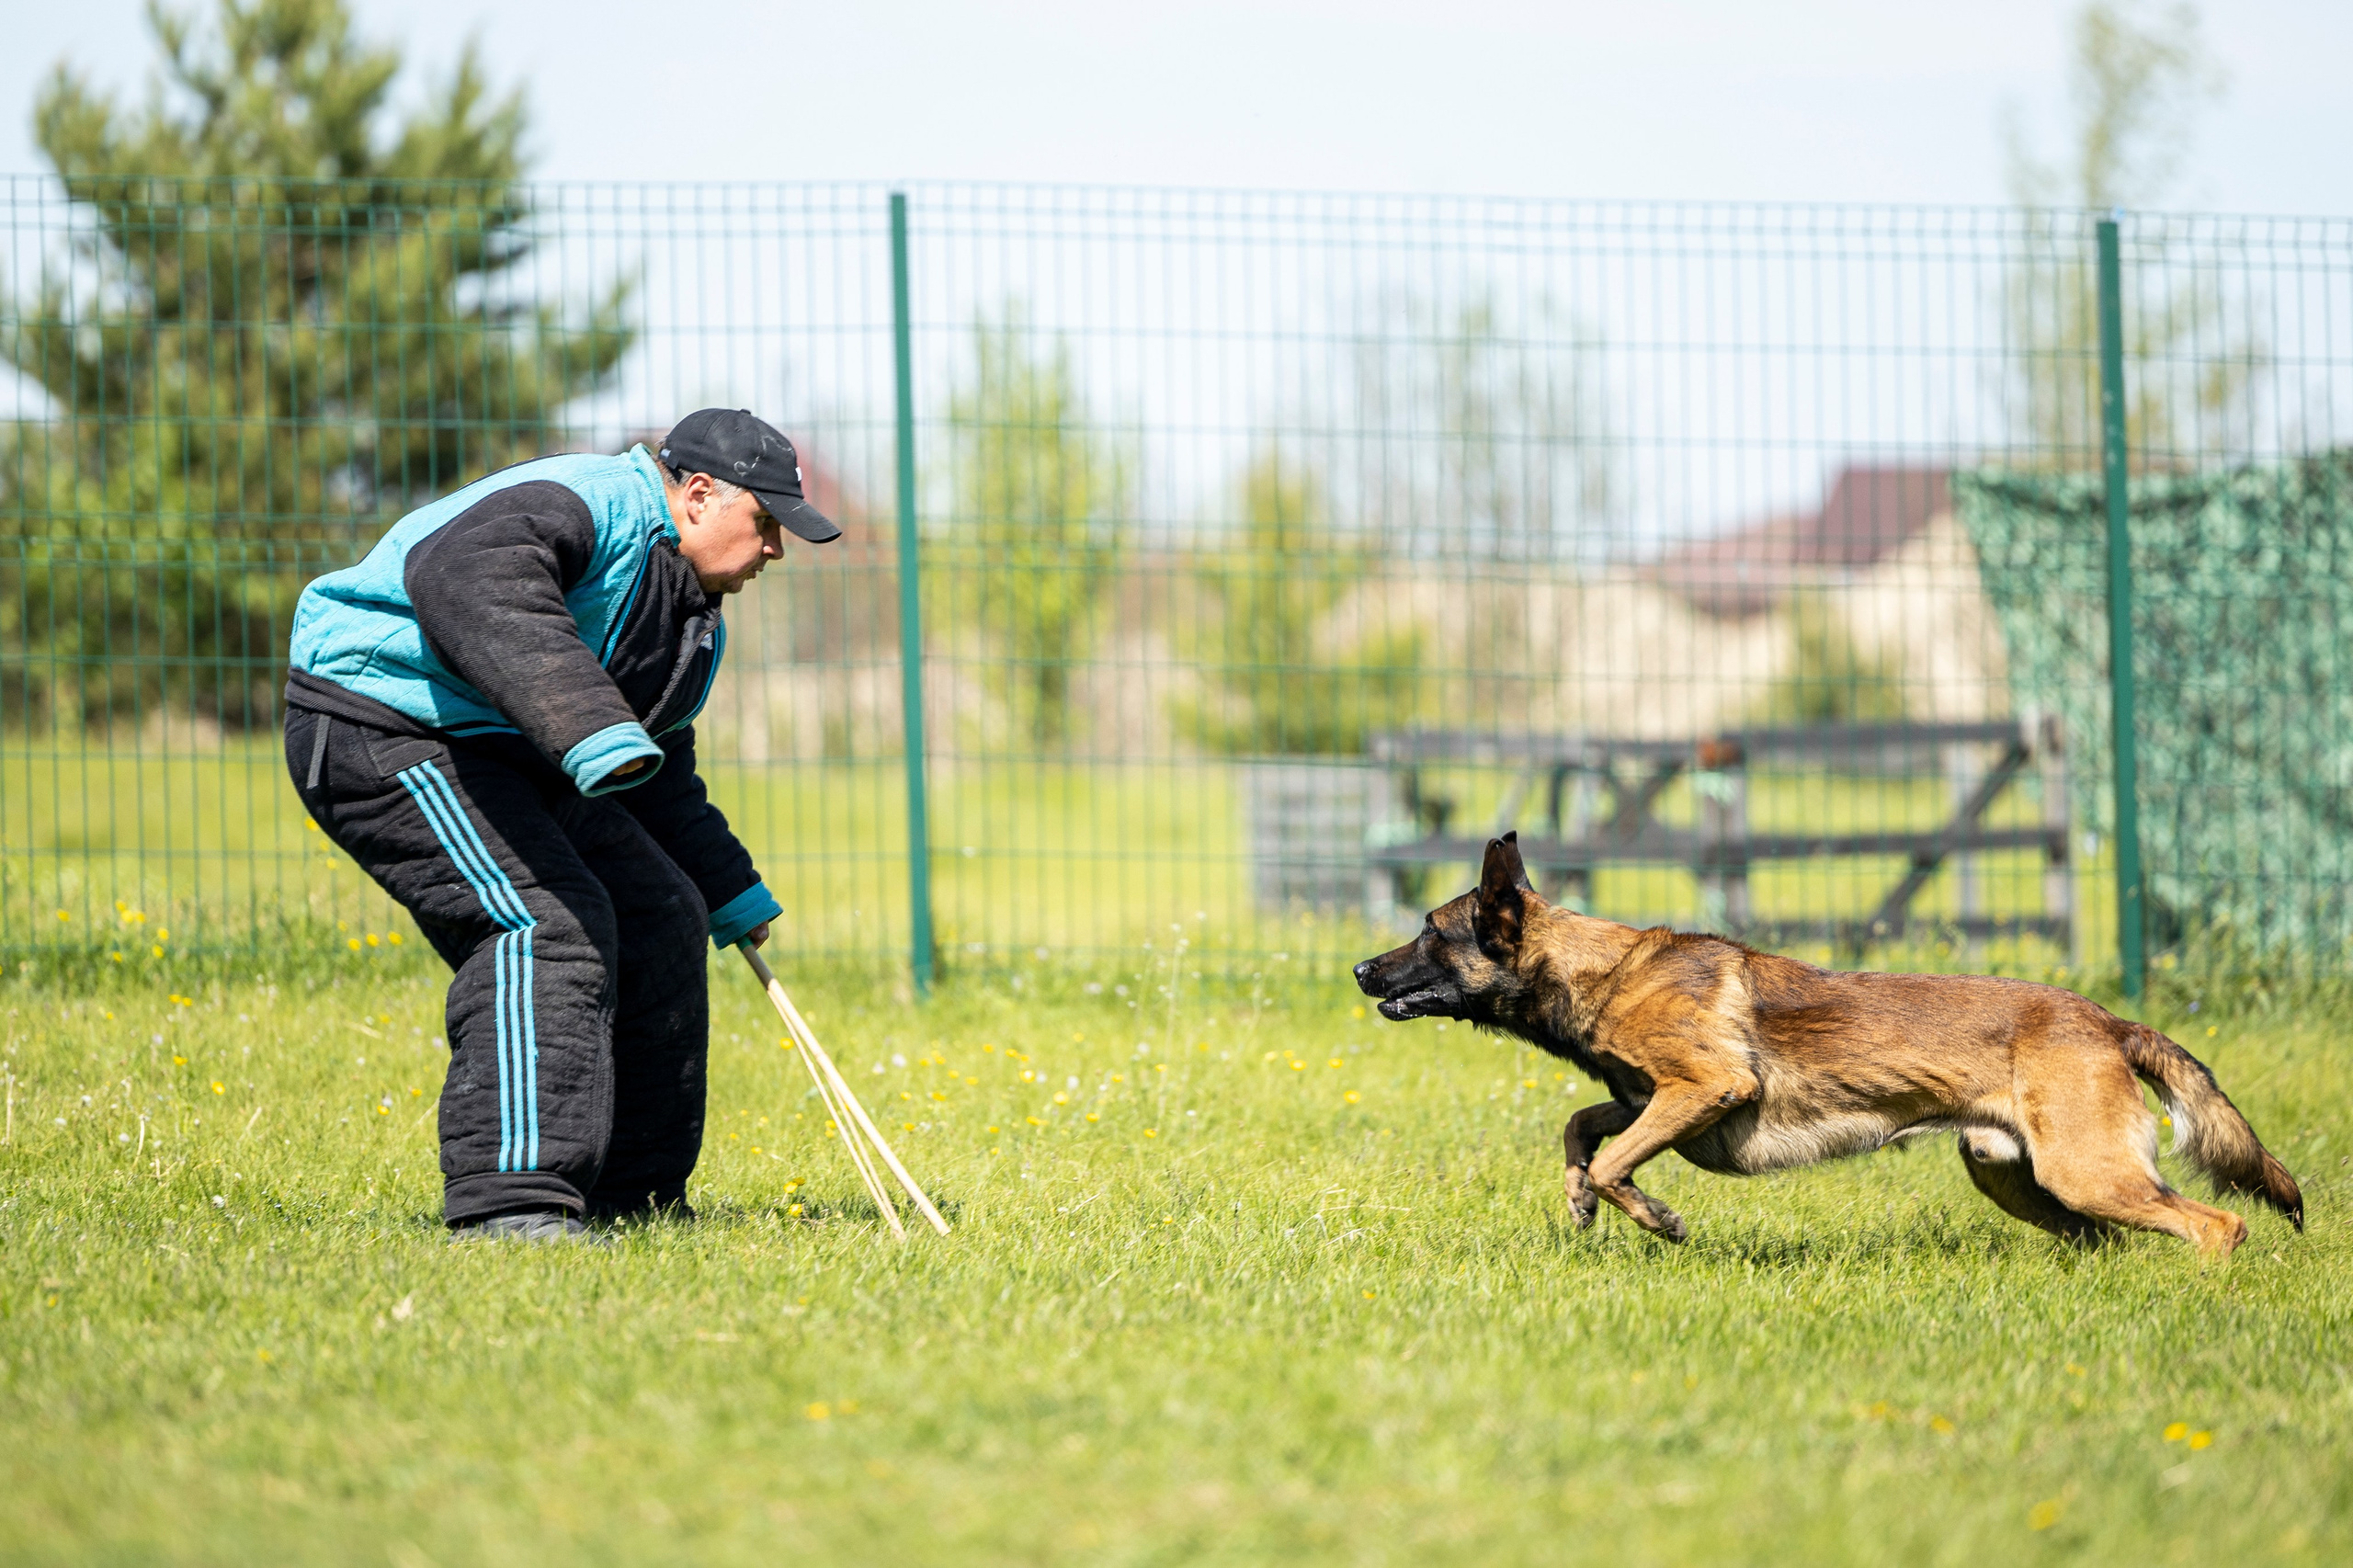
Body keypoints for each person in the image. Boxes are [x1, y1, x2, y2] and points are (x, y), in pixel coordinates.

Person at [283, 409, 838, 1242]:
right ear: (697, 495)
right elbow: (463, 575)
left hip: (506, 750)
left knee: (662, 915)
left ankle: (635, 1202)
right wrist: (589, 728)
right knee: (540, 924)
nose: (774, 551)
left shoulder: (686, 613)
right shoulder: (588, 500)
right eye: (765, 524)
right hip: (383, 722)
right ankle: (511, 1206)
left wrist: (729, 892)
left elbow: (654, 762)